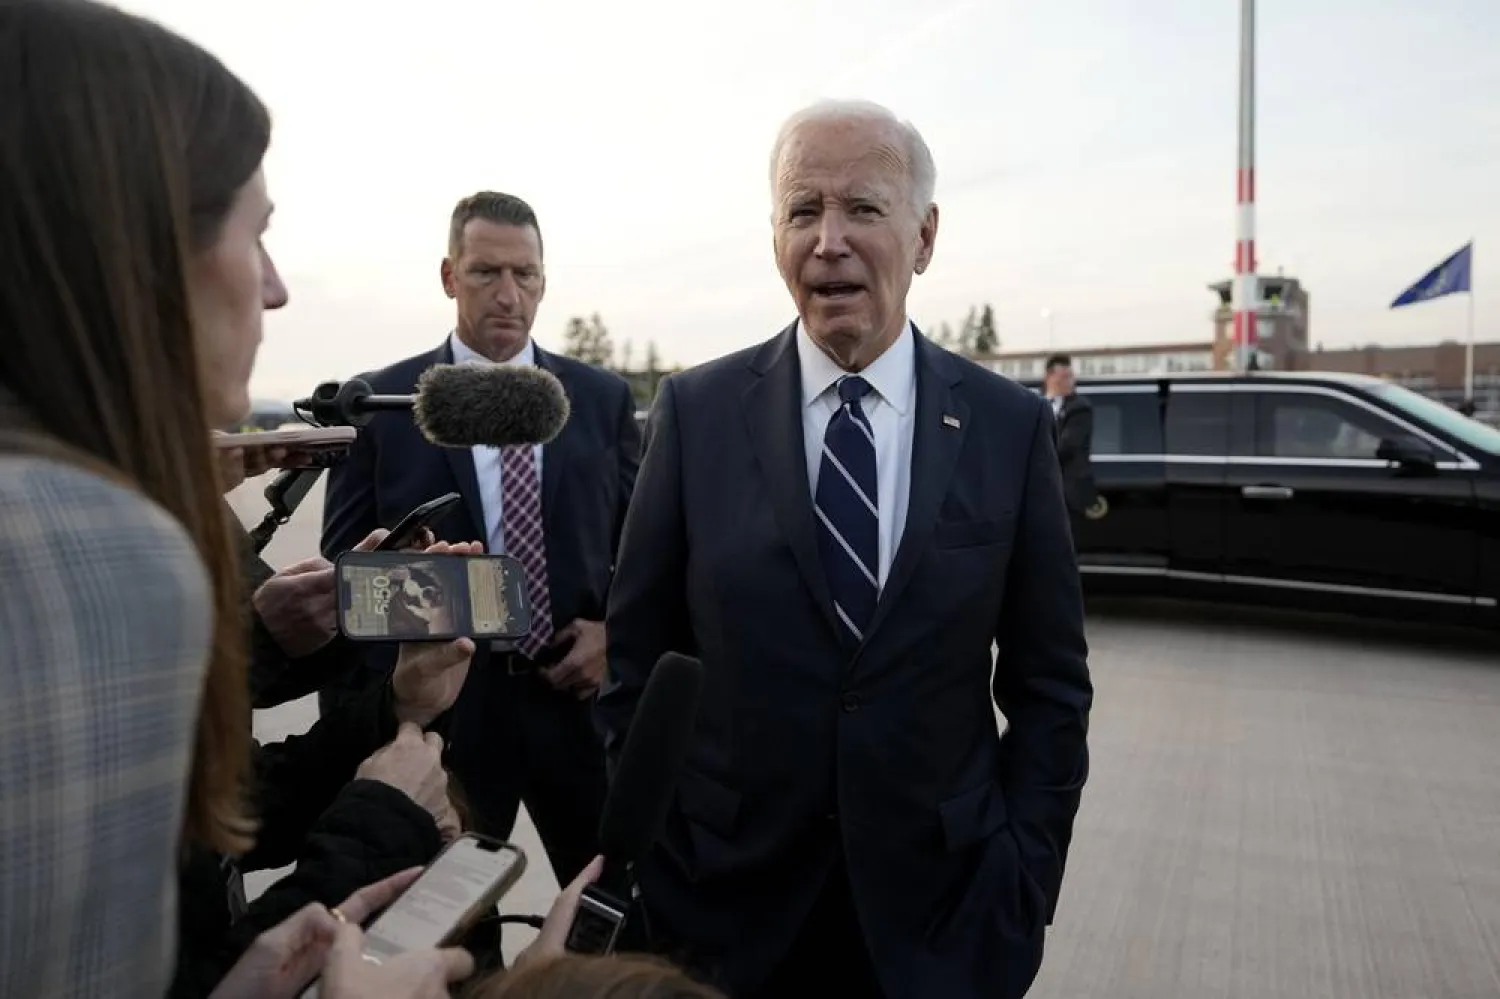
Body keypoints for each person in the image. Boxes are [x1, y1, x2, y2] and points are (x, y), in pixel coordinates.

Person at [0, 0, 468, 993]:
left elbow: (190, 836)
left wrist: (378, 708)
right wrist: (381, 815)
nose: (274, 288)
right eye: (252, 234)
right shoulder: (90, 538)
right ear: (130, 246)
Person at [598, 99, 1094, 999]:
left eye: (863, 208)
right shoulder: (696, 414)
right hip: (724, 919)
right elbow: (636, 665)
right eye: (802, 210)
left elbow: (1050, 685)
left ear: (925, 234)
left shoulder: (1007, 427)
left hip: (944, 920)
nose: (829, 240)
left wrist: (1024, 881)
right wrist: (662, 865)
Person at [322, 191, 642, 884]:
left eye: (524, 275)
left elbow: (649, 550)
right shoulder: (385, 401)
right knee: (442, 926)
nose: (508, 294)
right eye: (486, 273)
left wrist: (611, 630)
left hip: (578, 706)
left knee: (618, 914)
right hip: (447, 717)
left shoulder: (602, 398)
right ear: (448, 276)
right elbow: (343, 574)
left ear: (544, 281)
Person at [1042, 353, 1102, 538]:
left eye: (1071, 376)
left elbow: (1067, 445)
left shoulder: (1080, 408)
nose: (1070, 381)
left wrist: (1033, 456)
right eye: (1064, 376)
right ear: (1050, 377)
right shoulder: (1035, 404)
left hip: (1069, 492)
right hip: (1043, 489)